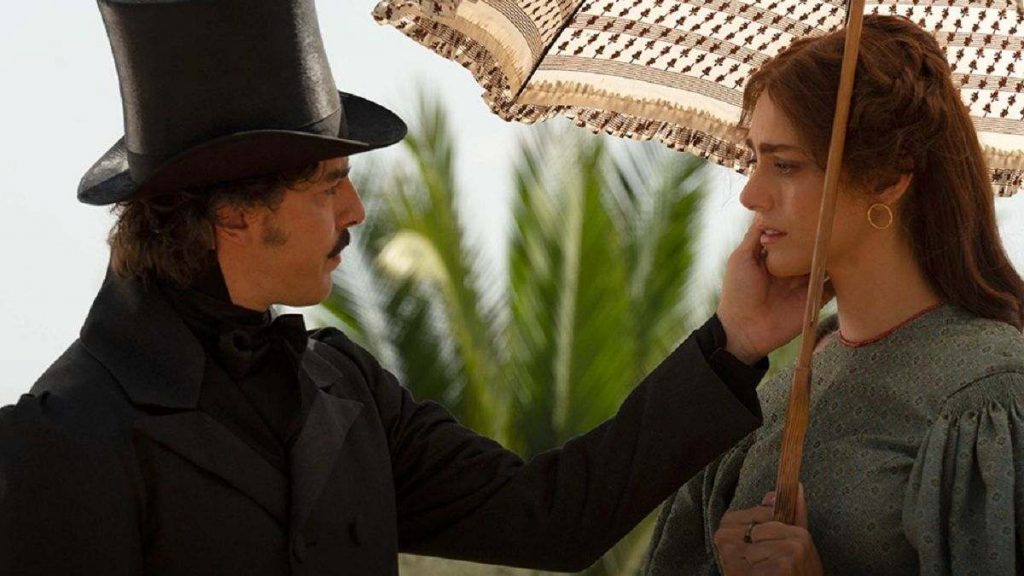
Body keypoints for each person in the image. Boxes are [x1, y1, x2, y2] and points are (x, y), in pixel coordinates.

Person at [0, 1, 815, 574]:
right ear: (235, 214)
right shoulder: (60, 437)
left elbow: (552, 519)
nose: (355, 211)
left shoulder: (344, 385)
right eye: (328, 185)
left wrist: (734, 344)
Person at [643, 14, 1024, 576]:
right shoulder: (778, 388)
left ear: (887, 179)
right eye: (755, 159)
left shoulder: (987, 390)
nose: (750, 194)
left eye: (785, 165)